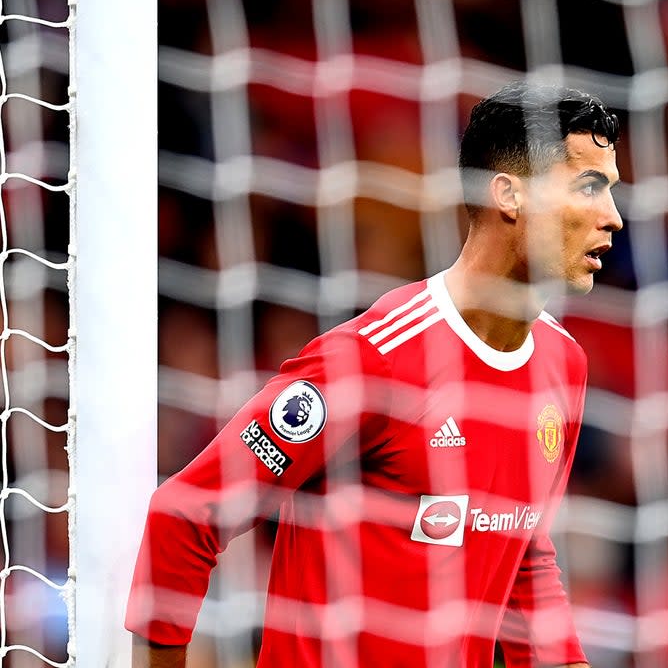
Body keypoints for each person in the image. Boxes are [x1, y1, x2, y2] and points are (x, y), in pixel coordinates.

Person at [126, 81, 624, 667]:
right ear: (510, 196)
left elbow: (522, 555)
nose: (612, 217)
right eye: (590, 187)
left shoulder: (563, 365)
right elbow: (185, 516)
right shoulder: (377, 356)